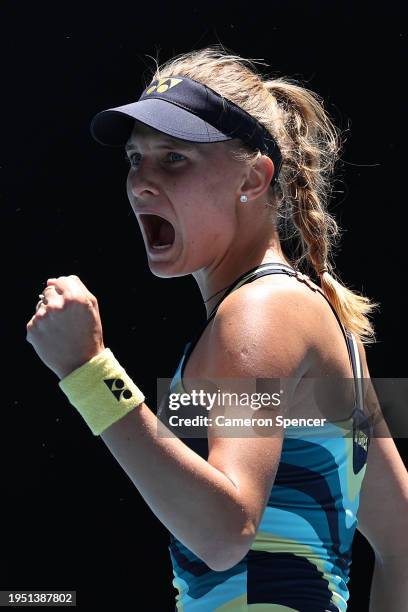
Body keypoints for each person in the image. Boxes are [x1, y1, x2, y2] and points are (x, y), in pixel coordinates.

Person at [26, 45, 408, 611]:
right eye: (135, 159)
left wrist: (88, 372)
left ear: (252, 178)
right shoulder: (309, 313)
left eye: (174, 158)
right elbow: (403, 542)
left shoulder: (260, 311)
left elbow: (226, 532)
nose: (141, 183)